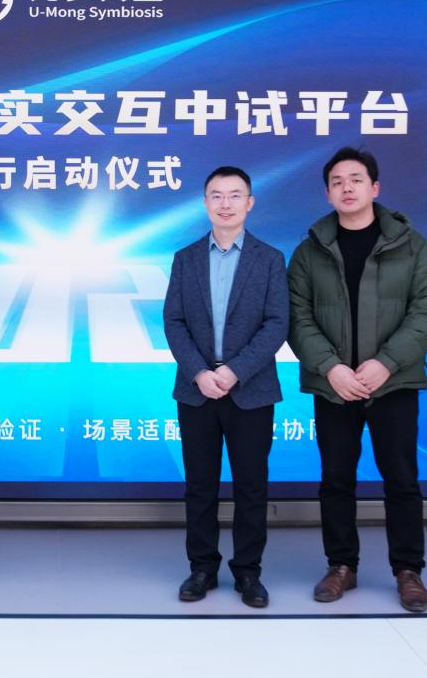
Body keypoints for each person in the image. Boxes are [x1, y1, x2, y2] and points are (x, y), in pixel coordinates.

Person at [287, 146, 427, 613]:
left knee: (401, 479)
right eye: (337, 182)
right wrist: (331, 368)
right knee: (336, 479)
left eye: (356, 179)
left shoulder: (411, 245)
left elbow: (426, 311)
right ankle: (341, 566)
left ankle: (408, 570)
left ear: (375, 188)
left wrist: (386, 363)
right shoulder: (310, 250)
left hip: (393, 384)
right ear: (327, 193)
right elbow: (297, 317)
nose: (347, 188)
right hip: (333, 387)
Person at [162, 166, 289, 608]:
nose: (225, 203)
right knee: (200, 485)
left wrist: (235, 371)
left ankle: (248, 572)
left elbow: (277, 323)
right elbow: (173, 322)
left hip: (250, 390)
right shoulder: (185, 259)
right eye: (216, 195)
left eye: (235, 195)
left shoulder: (270, 259)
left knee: (251, 486)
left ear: (250, 203)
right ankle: (202, 568)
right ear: (205, 203)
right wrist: (200, 372)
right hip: (196, 390)